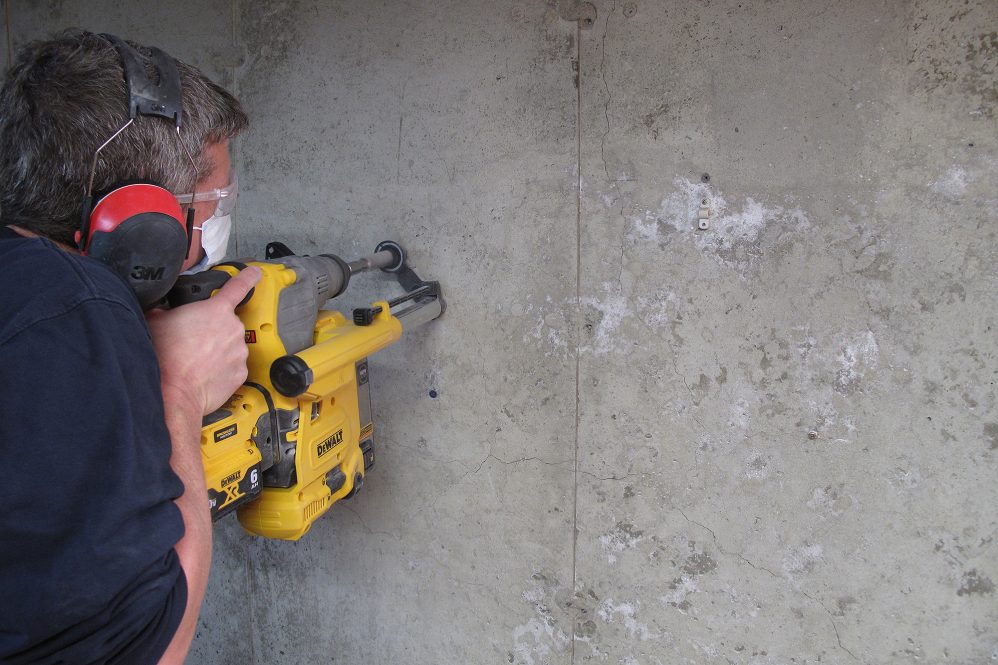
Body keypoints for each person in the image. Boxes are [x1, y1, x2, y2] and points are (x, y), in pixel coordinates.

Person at [0, 30, 258, 664]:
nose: (212, 236)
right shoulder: (75, 309)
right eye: (209, 207)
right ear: (138, 217)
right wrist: (179, 384)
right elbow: (150, 647)